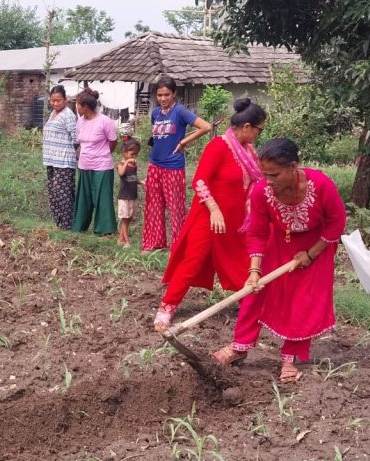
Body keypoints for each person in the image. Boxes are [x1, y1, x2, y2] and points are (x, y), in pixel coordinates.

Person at [211, 137, 347, 384]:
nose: (269, 181)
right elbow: (258, 232)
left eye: (274, 174)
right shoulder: (262, 192)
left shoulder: (321, 185)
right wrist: (254, 270)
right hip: (278, 241)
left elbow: (337, 222)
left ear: (293, 167)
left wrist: (311, 254)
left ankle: (290, 357)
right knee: (255, 292)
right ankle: (240, 346)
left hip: (317, 244)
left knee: (302, 299)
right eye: (265, 174)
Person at [154, 99, 268, 331]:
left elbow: (253, 186)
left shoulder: (249, 152)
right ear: (247, 127)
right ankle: (167, 307)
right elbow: (199, 181)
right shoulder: (219, 146)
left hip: (236, 220)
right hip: (209, 217)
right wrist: (215, 209)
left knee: (241, 262)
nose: (259, 134)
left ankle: (252, 305)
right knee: (192, 261)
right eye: (259, 129)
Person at [142, 76, 213, 252]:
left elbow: (206, 127)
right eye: (159, 95)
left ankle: (178, 246)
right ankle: (154, 242)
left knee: (176, 207)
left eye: (167, 94)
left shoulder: (180, 111)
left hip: (173, 166)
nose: (163, 98)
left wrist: (184, 142)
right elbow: (156, 138)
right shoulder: (155, 113)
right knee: (153, 205)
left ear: (174, 94)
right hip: (155, 164)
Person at [71, 88, 118, 235]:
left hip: (102, 166)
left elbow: (113, 141)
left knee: (102, 198)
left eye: (77, 104)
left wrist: (103, 154)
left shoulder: (105, 121)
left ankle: (104, 229)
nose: (76, 107)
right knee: (83, 197)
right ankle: (80, 227)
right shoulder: (80, 122)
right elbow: (80, 142)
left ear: (85, 107)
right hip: (84, 164)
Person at [42, 85, 79, 229]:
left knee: (63, 194)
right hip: (51, 160)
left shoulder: (68, 115)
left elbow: (75, 138)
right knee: (53, 193)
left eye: (58, 100)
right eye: (52, 100)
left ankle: (67, 224)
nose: (55, 103)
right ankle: (58, 223)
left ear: (65, 100)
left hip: (64, 161)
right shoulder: (53, 113)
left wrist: (72, 155)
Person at [116, 139, 143, 248]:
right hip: (124, 196)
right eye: (132, 154)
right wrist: (126, 162)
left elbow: (133, 178)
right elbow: (121, 173)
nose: (134, 156)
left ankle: (121, 239)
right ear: (124, 153)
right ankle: (126, 241)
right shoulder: (121, 164)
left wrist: (141, 182)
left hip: (132, 195)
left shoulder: (134, 166)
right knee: (124, 218)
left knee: (129, 218)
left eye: (136, 154)